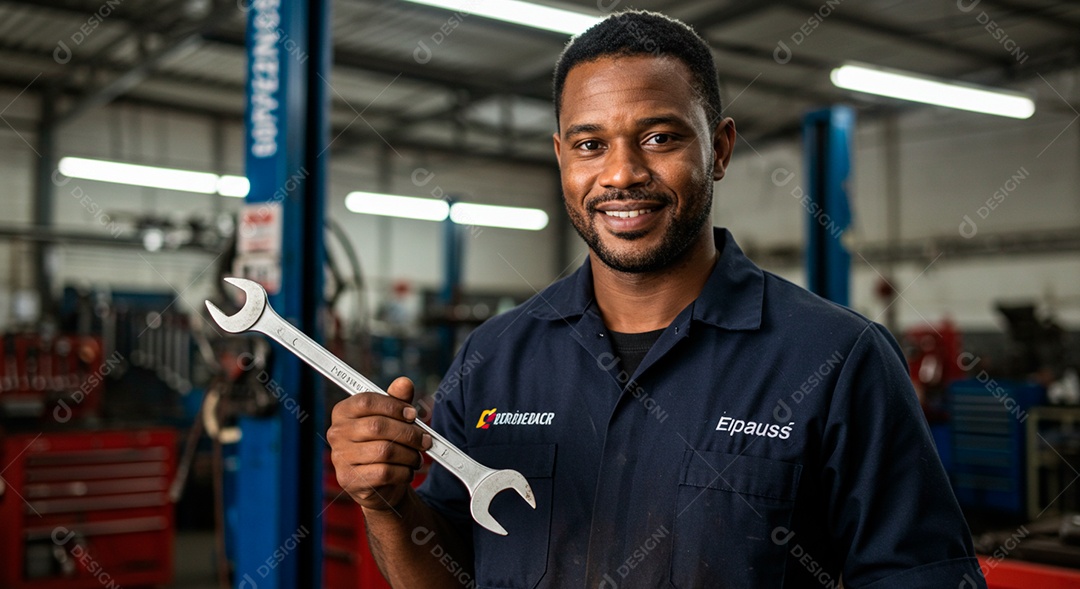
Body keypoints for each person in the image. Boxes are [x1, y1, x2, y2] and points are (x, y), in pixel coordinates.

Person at [327, 10, 987, 588]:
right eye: (590, 145)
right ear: (562, 158)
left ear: (719, 148)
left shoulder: (839, 360)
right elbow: (450, 573)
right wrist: (388, 506)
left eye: (660, 137)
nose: (621, 173)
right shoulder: (496, 356)